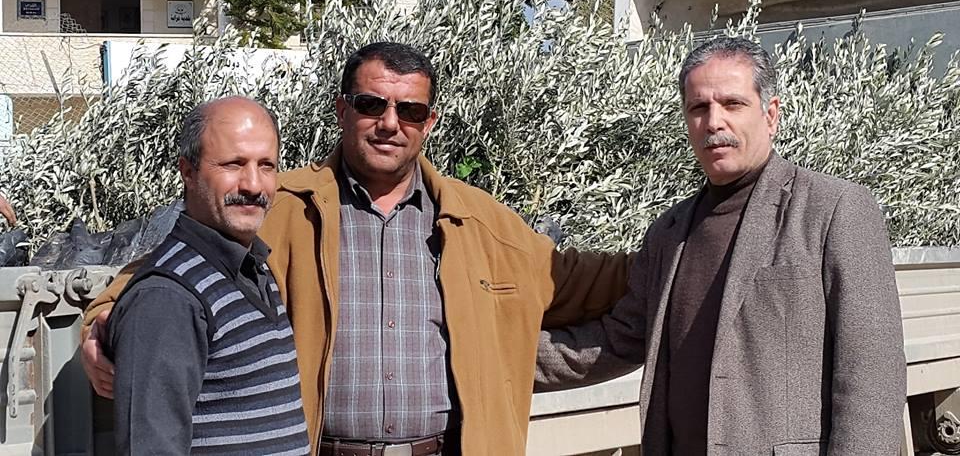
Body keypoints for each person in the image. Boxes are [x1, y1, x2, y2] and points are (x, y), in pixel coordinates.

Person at [83, 42, 633, 455]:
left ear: (429, 123)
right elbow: (161, 275)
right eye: (372, 104)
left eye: (410, 111)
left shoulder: (478, 222)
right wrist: (98, 324)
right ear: (342, 110)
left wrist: (677, 247)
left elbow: (584, 280)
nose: (390, 123)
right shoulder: (282, 205)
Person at [535, 36, 906, 455]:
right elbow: (616, 340)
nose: (714, 122)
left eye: (732, 104)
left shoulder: (834, 209)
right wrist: (494, 351)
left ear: (770, 114)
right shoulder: (669, 233)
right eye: (699, 108)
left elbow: (872, 375)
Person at [105, 97, 310, 454]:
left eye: (266, 166)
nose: (253, 185)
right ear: (188, 171)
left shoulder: (254, 268)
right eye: (233, 164)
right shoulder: (168, 298)